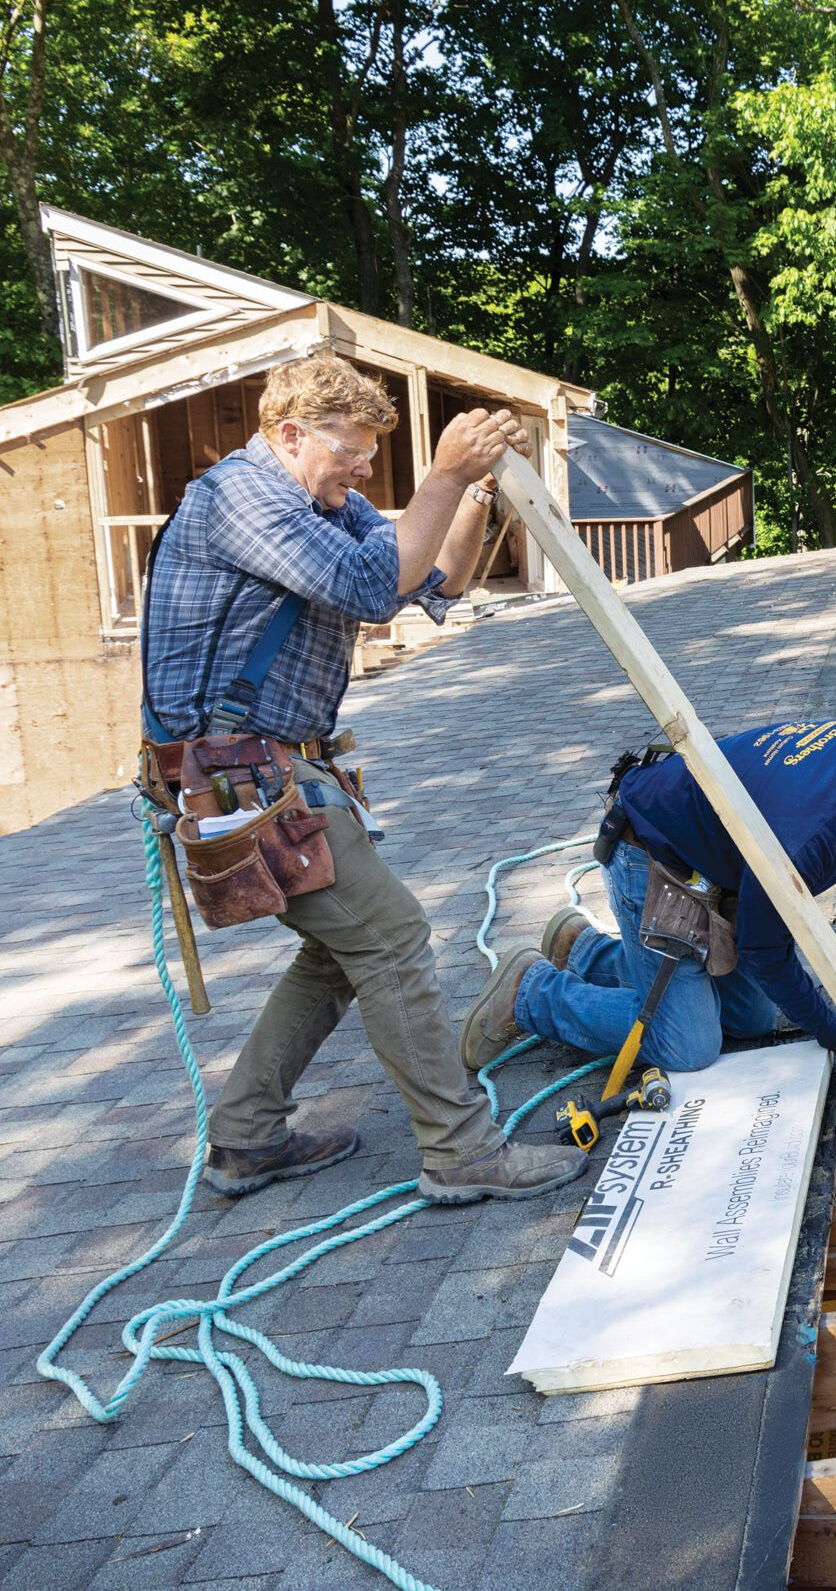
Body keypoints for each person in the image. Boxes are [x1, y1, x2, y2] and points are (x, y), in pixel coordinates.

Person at [142, 353, 584, 1206]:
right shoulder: (242, 498)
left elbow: (423, 576)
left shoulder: (317, 504)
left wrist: (470, 493)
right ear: (289, 434)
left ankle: (246, 1135)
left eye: (373, 453)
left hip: (269, 769)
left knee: (347, 946)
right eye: (351, 448)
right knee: (388, 937)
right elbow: (371, 587)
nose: (365, 468)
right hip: (235, 776)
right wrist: (442, 473)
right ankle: (459, 1152)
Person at [462, 719, 836, 1092]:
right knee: (688, 1046)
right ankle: (532, 993)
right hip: (653, 855)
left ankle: (585, 950)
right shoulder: (805, 836)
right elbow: (763, 951)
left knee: (751, 1018)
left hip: (722, 864)